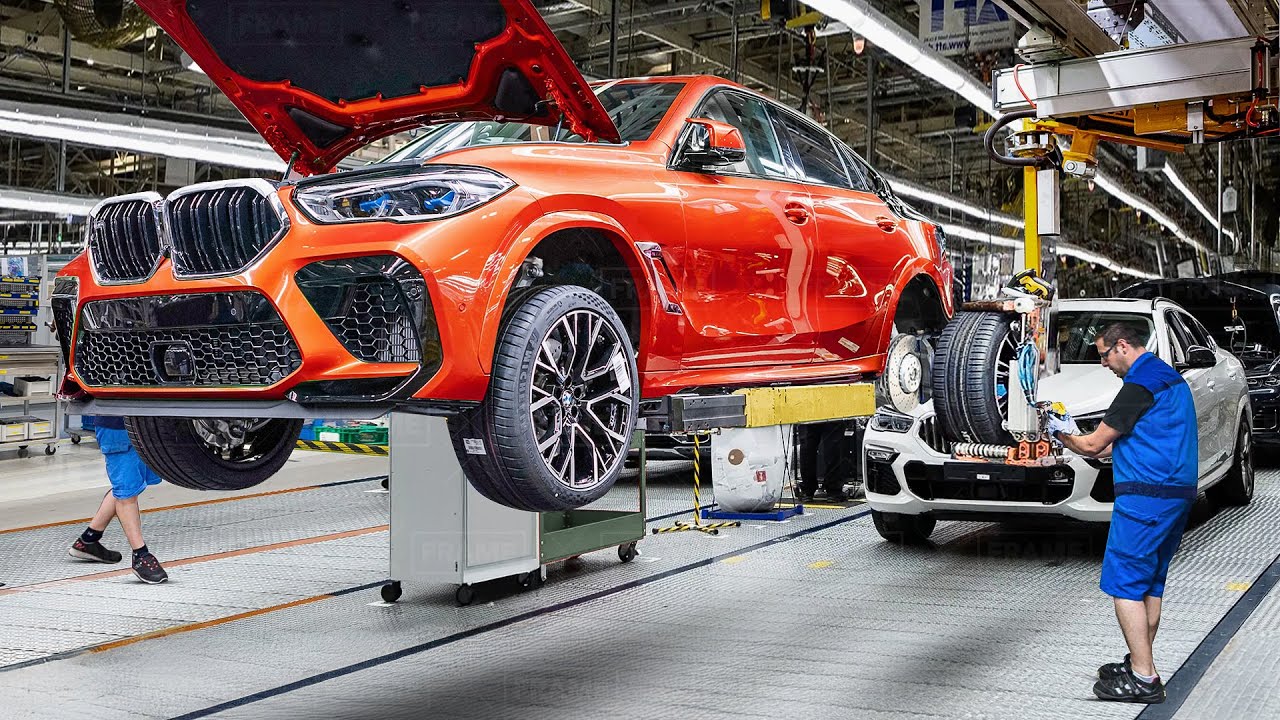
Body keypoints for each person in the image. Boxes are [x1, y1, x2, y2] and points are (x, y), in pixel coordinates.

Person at [1049, 322, 1197, 704]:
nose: (1103, 363)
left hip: (1146, 497)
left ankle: (1144, 679)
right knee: (1149, 583)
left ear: (1124, 346)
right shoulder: (1168, 378)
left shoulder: (1137, 387)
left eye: (1103, 354)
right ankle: (1138, 661)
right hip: (1173, 494)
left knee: (1125, 584)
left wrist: (1059, 432)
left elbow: (1095, 444)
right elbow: (1135, 442)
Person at [67, 416, 169, 584]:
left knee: (129, 487)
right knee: (126, 492)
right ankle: (140, 555)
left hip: (142, 425)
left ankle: (88, 540)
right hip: (117, 427)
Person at [796, 421, 852, 502]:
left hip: (808, 412)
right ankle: (833, 491)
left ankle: (807, 491)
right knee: (832, 447)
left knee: (807, 448)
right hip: (832, 412)